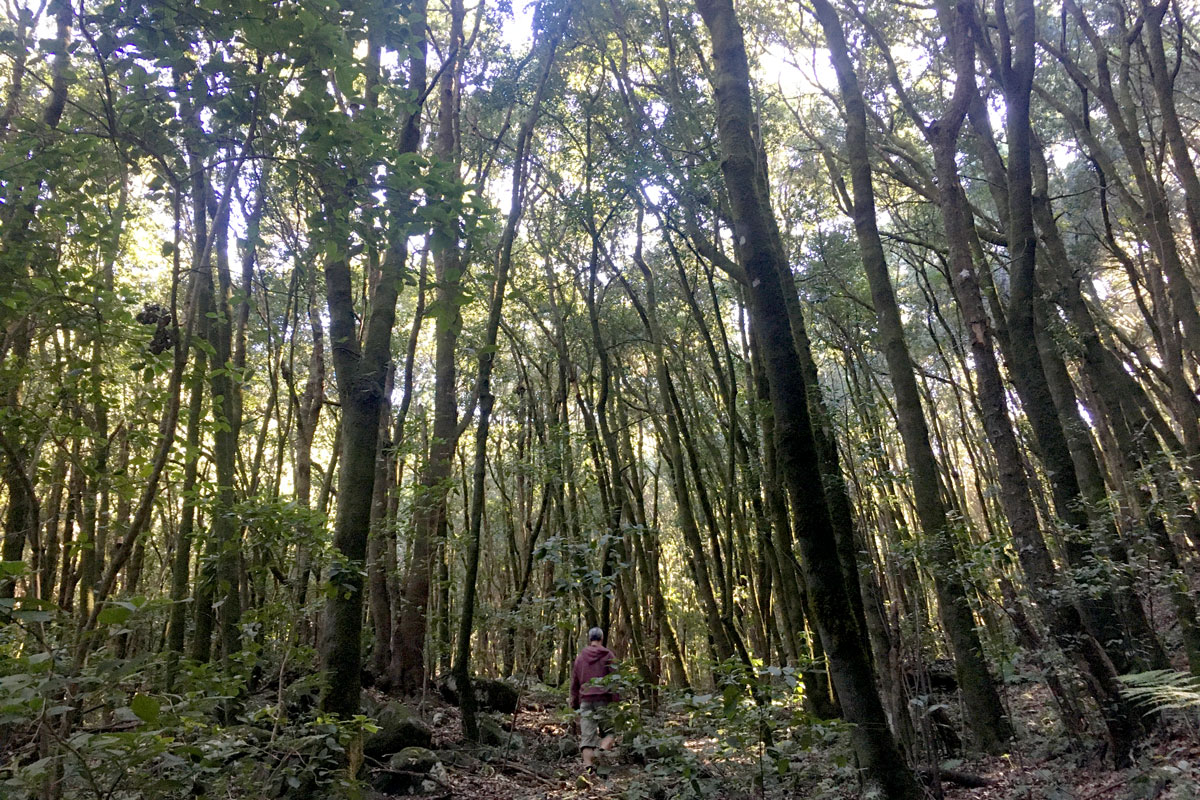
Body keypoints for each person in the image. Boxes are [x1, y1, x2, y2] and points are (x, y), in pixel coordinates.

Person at [570, 626, 618, 772]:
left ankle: (589, 769)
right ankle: (601, 753)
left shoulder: (580, 658)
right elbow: (615, 681)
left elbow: (575, 682)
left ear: (589, 639)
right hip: (604, 700)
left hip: (585, 700)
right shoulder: (609, 655)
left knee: (587, 739)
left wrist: (574, 702)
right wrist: (616, 701)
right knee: (610, 733)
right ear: (602, 638)